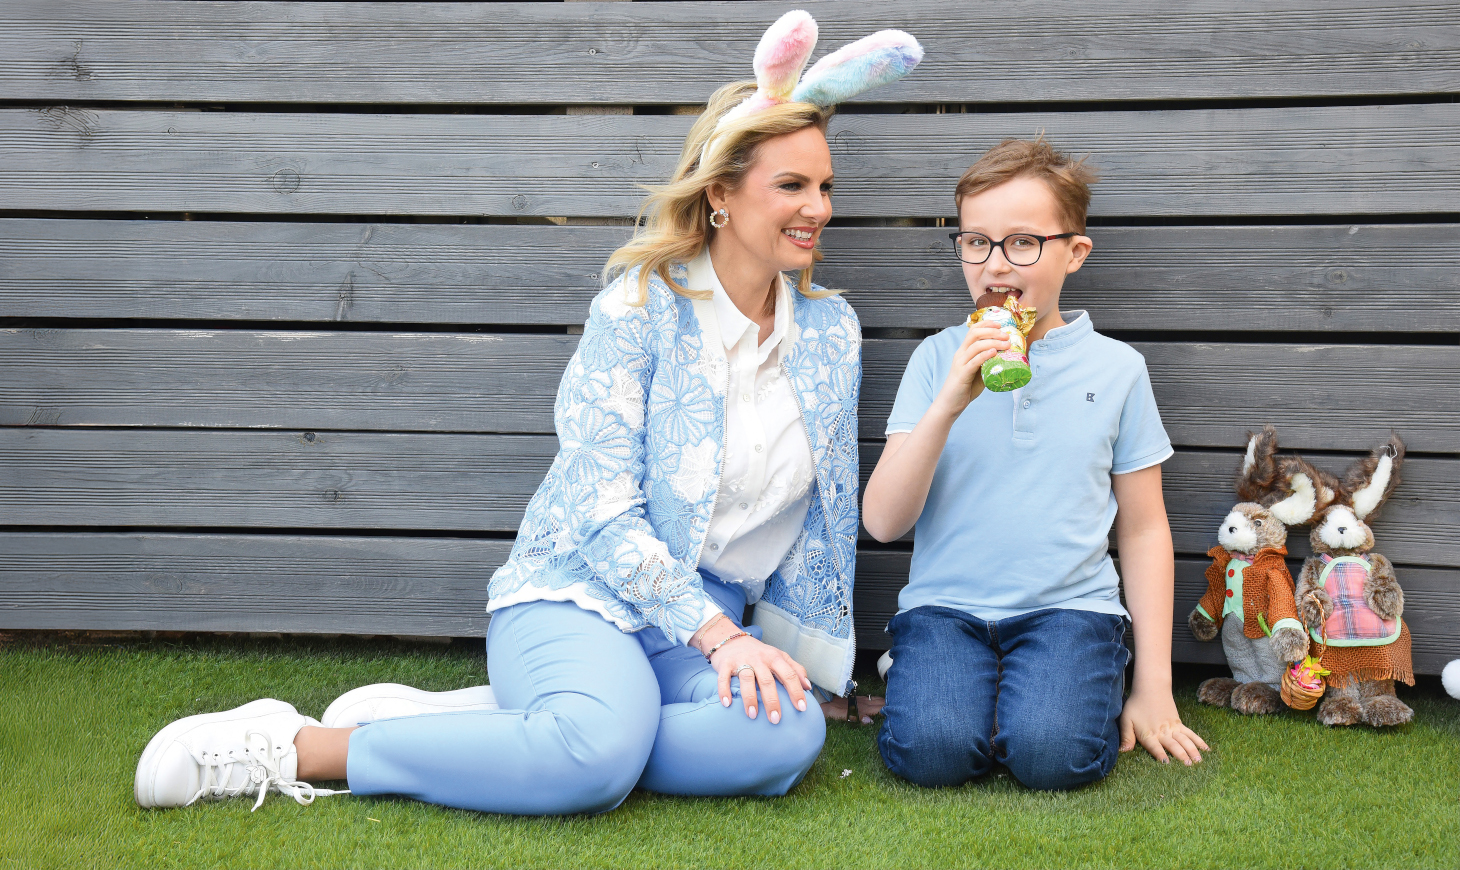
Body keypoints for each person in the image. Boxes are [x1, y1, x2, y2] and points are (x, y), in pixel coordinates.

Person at [133, 12, 922, 815]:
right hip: (579, 591)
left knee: (784, 733)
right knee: (595, 760)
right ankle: (302, 746)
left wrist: (799, 660)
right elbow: (601, 510)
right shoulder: (637, 310)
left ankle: (539, 729)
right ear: (720, 192)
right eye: (792, 185)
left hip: (704, 622)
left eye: (825, 186)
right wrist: (716, 637)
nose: (817, 207)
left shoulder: (830, 333)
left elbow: (823, 515)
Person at [861, 137, 1208, 791]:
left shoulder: (1119, 369)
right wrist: (949, 403)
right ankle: (939, 679)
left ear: (1074, 252)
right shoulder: (935, 359)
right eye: (976, 242)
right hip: (946, 610)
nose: (995, 264)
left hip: (1071, 611)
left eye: (1022, 242)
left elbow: (1143, 529)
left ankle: (1055, 688)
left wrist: (1155, 686)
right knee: (931, 755)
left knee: (1053, 757)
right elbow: (882, 522)